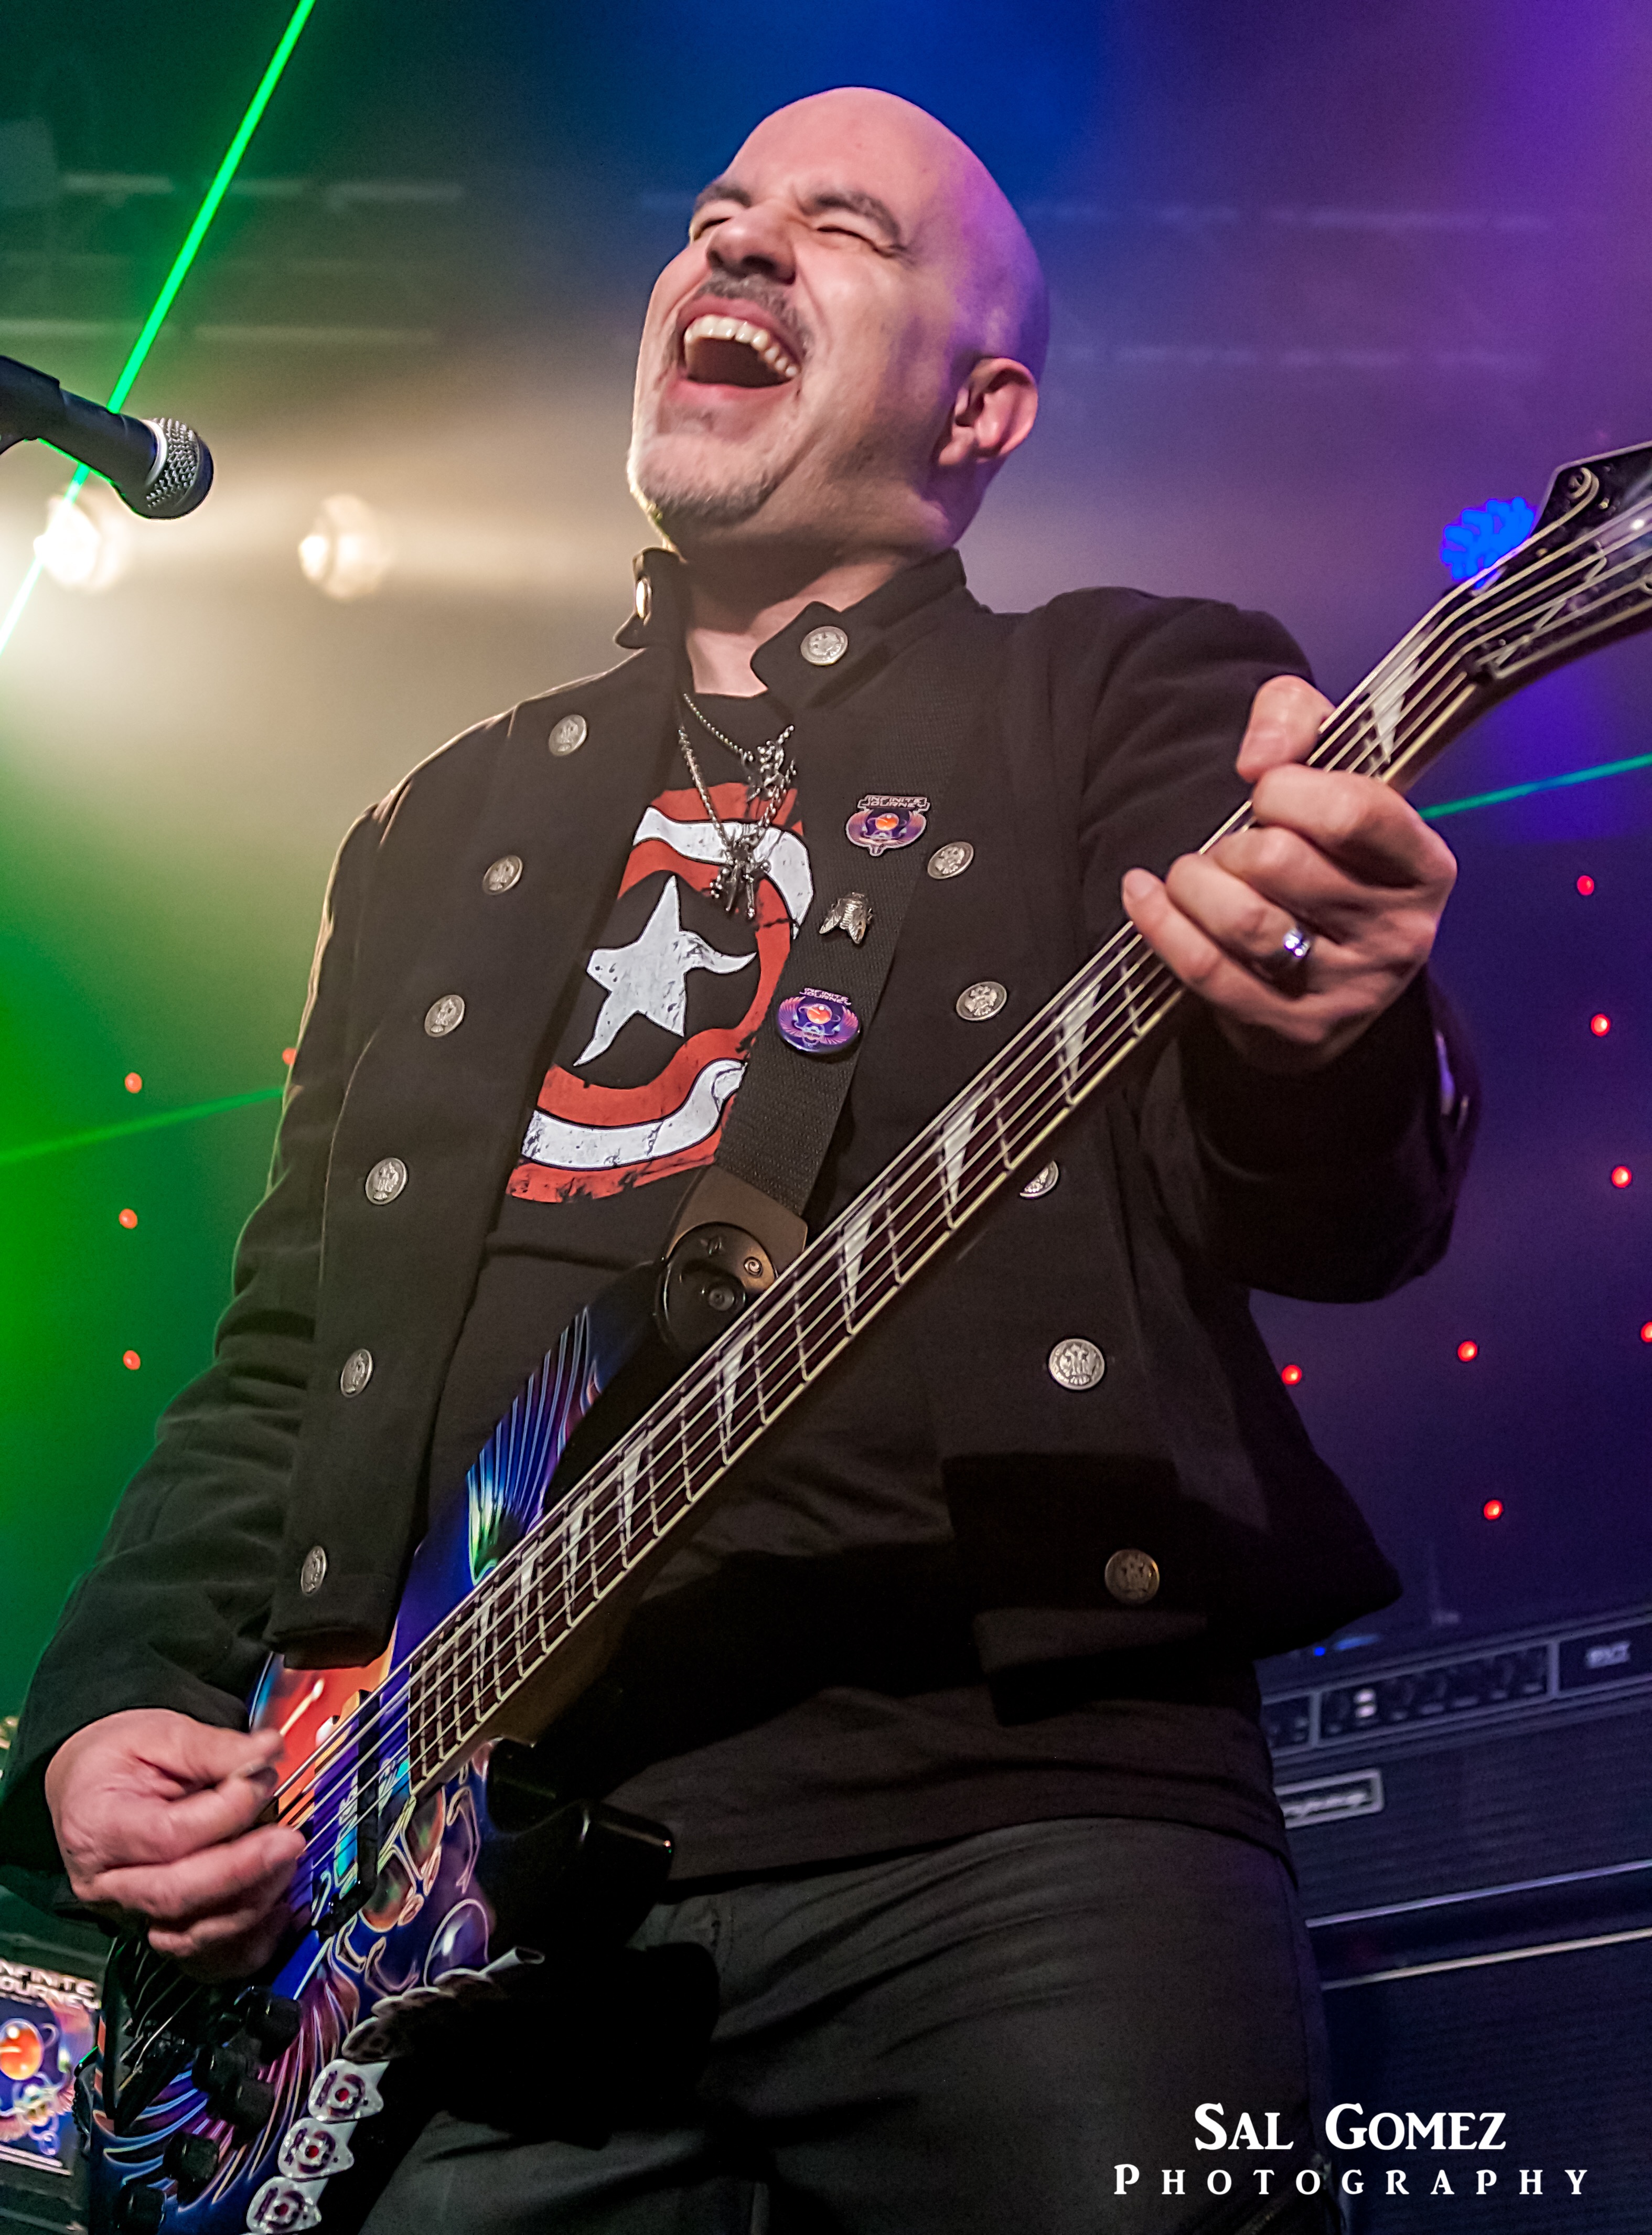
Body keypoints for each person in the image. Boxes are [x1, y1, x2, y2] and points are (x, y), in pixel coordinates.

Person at [0, 87, 1471, 2235]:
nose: (742, 244)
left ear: (979, 412)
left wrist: (1318, 1029)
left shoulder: (1125, 691)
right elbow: (284, 1360)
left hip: (1014, 1830)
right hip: (457, 1920)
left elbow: (1334, 1211)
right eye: (715, 212)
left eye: (840, 228)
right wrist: (111, 1702)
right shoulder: (440, 824)